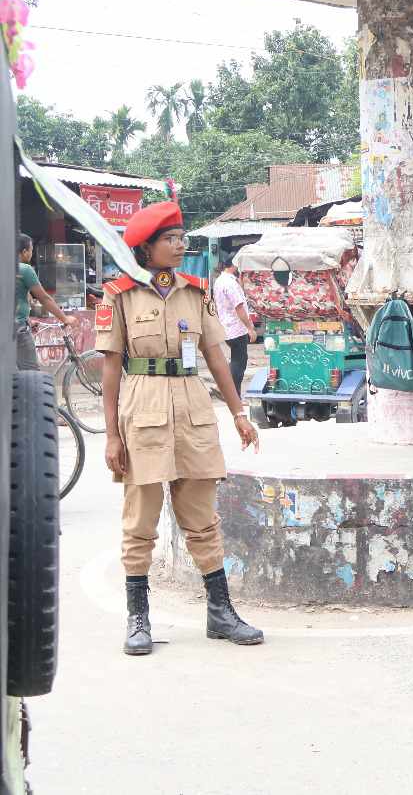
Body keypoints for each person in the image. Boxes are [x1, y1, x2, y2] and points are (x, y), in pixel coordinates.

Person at [96, 202, 264, 656]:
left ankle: (220, 612)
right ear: (146, 247)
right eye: (169, 239)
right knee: (140, 522)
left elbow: (215, 356)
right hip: (142, 409)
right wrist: (112, 435)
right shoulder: (119, 295)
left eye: (180, 237)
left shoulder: (197, 292)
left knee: (203, 520)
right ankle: (138, 618)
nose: (179, 245)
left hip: (192, 408)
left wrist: (239, 413)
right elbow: (111, 369)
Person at [15, 233, 79, 370]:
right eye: (31, 250)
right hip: (17, 330)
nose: (32, 253)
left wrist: (28, 320)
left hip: (11, 326)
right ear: (24, 252)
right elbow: (44, 298)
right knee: (31, 374)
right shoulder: (25, 270)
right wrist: (64, 318)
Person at [213, 258, 255, 394]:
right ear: (234, 265)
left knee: (237, 360)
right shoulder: (230, 283)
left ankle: (232, 394)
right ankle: (226, 390)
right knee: (239, 362)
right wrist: (249, 327)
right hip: (236, 327)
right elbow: (239, 307)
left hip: (226, 326)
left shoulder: (220, 280)